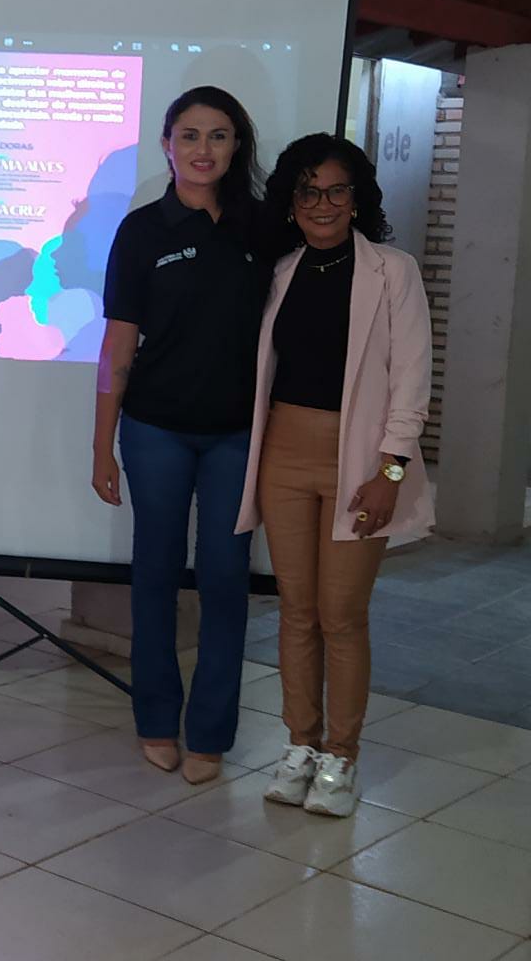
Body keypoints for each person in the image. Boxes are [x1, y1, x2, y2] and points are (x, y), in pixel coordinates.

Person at [237, 134, 433, 817]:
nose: (322, 203)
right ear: (291, 202)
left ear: (358, 198)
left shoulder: (393, 271)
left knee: (341, 615)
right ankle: (300, 745)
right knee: (296, 611)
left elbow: (412, 380)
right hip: (284, 455)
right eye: (308, 191)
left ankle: (341, 758)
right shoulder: (282, 271)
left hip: (362, 461)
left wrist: (390, 471)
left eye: (336, 190)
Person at [91, 86, 269, 785]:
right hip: (155, 430)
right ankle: (156, 720)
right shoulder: (143, 231)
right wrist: (101, 445)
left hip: (236, 435)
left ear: (236, 146)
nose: (203, 149)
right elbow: (117, 347)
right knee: (156, 576)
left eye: (218, 135)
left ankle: (211, 733)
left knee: (225, 581)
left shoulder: (261, 229)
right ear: (167, 145)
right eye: (189, 135)